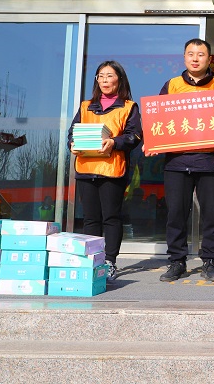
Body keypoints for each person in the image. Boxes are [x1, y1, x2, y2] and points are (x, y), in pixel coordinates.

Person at [154, 38, 214, 283]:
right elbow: (158, 117)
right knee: (175, 215)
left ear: (210, 59)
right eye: (191, 54)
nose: (195, 58)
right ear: (184, 57)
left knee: (212, 215)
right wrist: (153, 140)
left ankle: (210, 262)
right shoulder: (172, 85)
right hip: (177, 163)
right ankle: (177, 262)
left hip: (210, 162)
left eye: (201, 54)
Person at [69, 60, 143, 281]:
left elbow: (134, 136)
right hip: (86, 168)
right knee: (90, 218)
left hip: (112, 169)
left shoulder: (129, 107)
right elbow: (72, 132)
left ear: (119, 79)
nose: (104, 80)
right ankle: (92, 261)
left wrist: (114, 142)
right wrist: (72, 144)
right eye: (100, 76)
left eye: (109, 76)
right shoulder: (85, 106)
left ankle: (110, 261)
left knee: (111, 217)